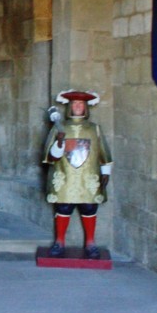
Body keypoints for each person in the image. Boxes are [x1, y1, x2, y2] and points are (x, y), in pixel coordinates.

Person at [42, 89, 113, 259]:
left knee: (89, 207)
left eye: (81, 103)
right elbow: (51, 157)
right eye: (74, 103)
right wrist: (59, 141)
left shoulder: (94, 129)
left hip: (88, 176)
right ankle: (59, 242)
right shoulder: (59, 128)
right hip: (65, 175)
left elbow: (104, 152)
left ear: (86, 107)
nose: (78, 106)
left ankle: (90, 243)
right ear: (69, 107)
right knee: (63, 207)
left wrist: (106, 172)